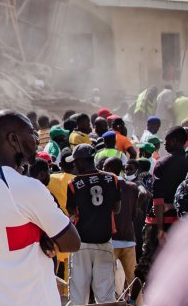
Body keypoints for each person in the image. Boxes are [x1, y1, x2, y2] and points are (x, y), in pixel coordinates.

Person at [0, 110, 80, 306]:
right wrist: (46, 235)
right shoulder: (25, 188)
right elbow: (72, 242)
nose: (36, 140)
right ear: (13, 139)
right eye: (31, 133)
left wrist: (40, 234)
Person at [65, 144, 121, 304]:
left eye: (75, 162)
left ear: (82, 162)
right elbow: (116, 209)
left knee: (78, 292)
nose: (74, 166)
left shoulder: (73, 183)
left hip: (81, 243)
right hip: (104, 241)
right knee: (105, 294)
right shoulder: (113, 179)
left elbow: (72, 212)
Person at [142, 125, 188, 281]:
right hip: (182, 225)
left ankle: (136, 301)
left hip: (160, 223)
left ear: (175, 141)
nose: (164, 145)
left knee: (148, 266)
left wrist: (160, 229)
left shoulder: (162, 163)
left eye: (167, 141)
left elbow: (158, 199)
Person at [99, 156, 140, 301]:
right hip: (129, 240)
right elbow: (134, 214)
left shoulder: (104, 187)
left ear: (109, 170)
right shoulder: (132, 187)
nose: (102, 171)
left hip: (110, 241)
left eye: (104, 168)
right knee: (133, 280)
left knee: (106, 282)